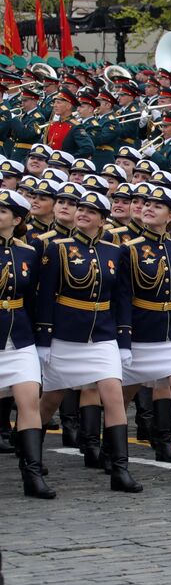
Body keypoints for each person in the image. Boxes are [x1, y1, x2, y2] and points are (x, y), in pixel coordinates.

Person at [34, 190, 143, 492]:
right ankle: (29, 452)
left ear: (103, 219)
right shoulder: (57, 248)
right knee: (50, 400)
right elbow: (46, 296)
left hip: (103, 334)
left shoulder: (114, 252)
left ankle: (119, 468)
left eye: (91, 211)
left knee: (112, 394)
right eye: (80, 208)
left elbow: (122, 297)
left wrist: (123, 339)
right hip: (66, 334)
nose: (82, 213)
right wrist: (44, 338)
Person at [116, 184, 171, 487]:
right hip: (142, 329)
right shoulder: (128, 249)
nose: (148, 208)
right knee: (123, 394)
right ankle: (109, 449)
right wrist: (124, 340)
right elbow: (124, 296)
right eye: (146, 204)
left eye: (157, 205)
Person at [0, 190, 48, 498]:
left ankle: (32, 473)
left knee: (29, 401)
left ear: (17, 219)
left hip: (18, 338)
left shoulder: (27, 253)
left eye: (3, 211)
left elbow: (34, 300)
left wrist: (39, 340)